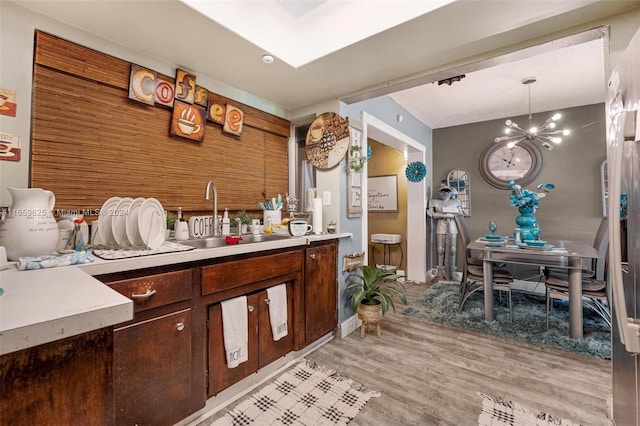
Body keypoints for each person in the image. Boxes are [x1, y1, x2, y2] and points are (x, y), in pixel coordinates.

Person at [427, 182, 464, 281]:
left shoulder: (455, 201)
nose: (444, 193)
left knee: (452, 250)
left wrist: (451, 215)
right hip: (441, 225)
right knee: (440, 249)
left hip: (452, 225)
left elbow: (461, 213)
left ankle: (451, 271)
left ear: (450, 192)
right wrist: (444, 215)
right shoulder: (435, 202)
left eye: (447, 191)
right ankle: (440, 272)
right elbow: (430, 213)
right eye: (442, 191)